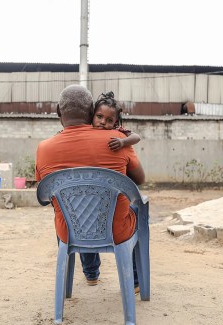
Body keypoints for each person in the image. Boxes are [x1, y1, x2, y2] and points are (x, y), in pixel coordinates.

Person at [35, 84, 145, 291]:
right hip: (117, 231)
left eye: (108, 120)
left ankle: (91, 274)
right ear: (91, 112)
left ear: (59, 112)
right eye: (100, 117)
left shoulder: (44, 148)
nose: (104, 122)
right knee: (133, 210)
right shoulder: (117, 140)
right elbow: (139, 179)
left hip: (70, 231)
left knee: (77, 212)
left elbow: (45, 196)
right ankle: (136, 281)